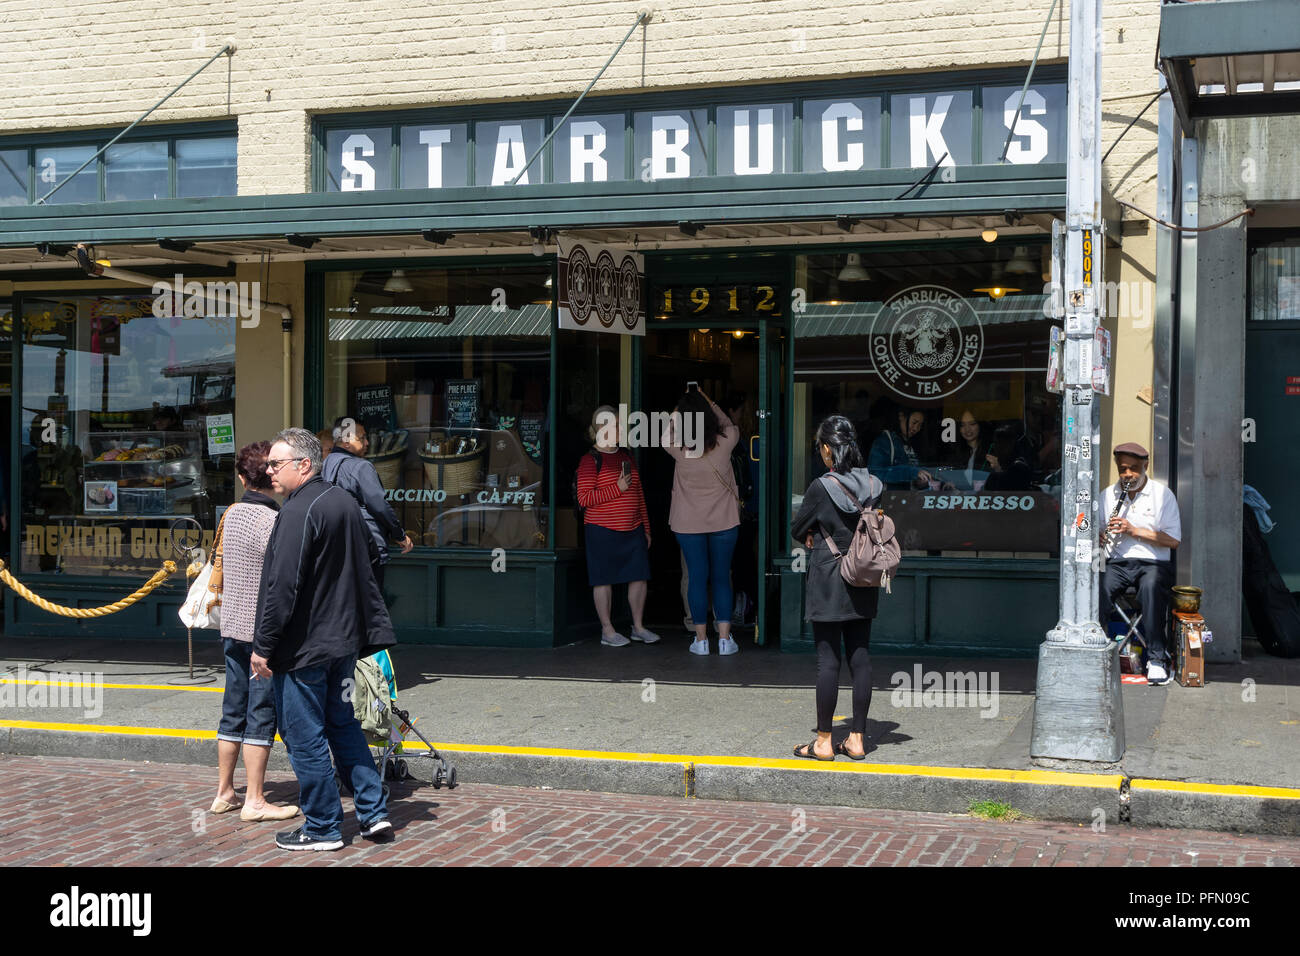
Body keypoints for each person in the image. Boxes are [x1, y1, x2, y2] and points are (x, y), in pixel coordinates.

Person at [251, 427, 397, 851]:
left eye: (277, 464)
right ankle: (373, 814)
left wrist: (263, 646)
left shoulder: (299, 510)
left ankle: (322, 828)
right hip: (342, 642)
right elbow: (368, 562)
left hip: (306, 647)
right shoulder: (342, 502)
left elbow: (283, 587)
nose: (269, 471)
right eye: (268, 464)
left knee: (305, 735)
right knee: (343, 724)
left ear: (305, 464)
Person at [211, 441, 299, 823]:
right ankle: (256, 800)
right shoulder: (274, 521)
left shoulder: (232, 514)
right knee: (261, 714)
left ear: (243, 477)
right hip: (260, 633)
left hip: (231, 626)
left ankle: (225, 792)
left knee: (233, 710)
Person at [789, 416, 882, 760]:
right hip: (864, 576)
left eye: (820, 448)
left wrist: (813, 532)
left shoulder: (821, 486)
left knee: (827, 661)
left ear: (828, 449)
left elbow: (798, 528)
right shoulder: (874, 484)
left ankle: (824, 741)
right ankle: (857, 739)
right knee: (861, 657)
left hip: (829, 577)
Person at [663, 387, 741, 655]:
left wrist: (679, 406)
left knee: (696, 578)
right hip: (724, 522)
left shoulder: (677, 447)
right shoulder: (727, 439)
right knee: (721, 578)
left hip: (688, 524)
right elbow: (728, 423)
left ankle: (700, 640)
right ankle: (724, 639)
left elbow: (665, 433)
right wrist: (709, 400)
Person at [1098, 442, 1182, 686]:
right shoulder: (1107, 495)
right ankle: (1099, 650)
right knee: (1097, 587)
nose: (1128, 475)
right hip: (1117, 561)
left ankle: (1156, 659)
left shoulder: (1162, 495)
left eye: (1134, 469)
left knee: (1151, 589)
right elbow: (1098, 530)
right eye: (1123, 469)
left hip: (1153, 563)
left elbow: (1174, 540)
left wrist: (1134, 531)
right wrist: (1100, 536)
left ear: (1146, 466)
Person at [575, 405, 658, 647]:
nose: (622, 429)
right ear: (602, 428)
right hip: (601, 529)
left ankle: (638, 627)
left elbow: (638, 493)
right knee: (603, 580)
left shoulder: (626, 455)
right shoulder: (590, 460)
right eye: (617, 425)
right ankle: (607, 630)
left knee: (639, 577)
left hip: (633, 529)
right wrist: (616, 489)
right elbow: (584, 499)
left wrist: (646, 527)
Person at [322, 416, 413, 592]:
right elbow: (379, 505)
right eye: (362, 438)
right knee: (369, 606)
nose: (367, 443)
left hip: (336, 545)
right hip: (366, 545)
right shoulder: (360, 467)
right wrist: (399, 535)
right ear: (346, 442)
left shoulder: (326, 464)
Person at [868, 404, 933, 490]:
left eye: (920, 425)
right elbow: (875, 472)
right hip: (893, 499)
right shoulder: (885, 441)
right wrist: (911, 473)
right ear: (901, 416)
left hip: (914, 499)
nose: (916, 428)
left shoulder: (916, 443)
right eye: (914, 422)